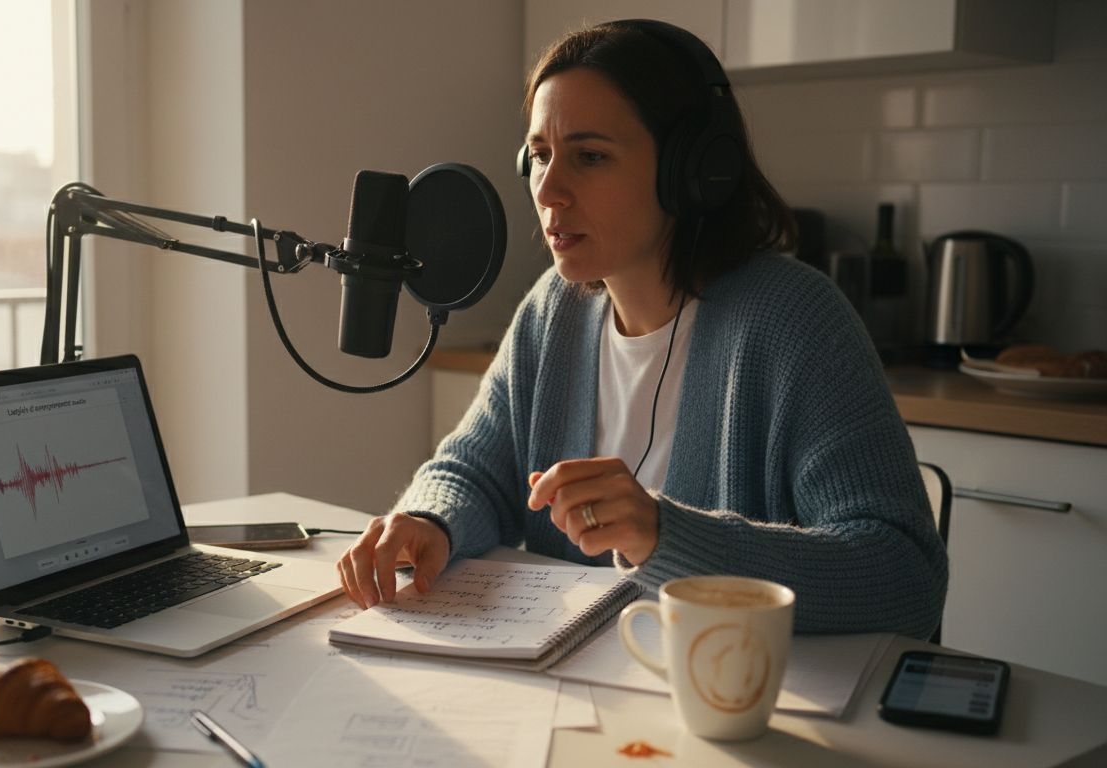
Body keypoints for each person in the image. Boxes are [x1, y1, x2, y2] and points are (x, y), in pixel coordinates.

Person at [336, 19, 947, 638]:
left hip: (727, 689)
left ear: (691, 172)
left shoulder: (796, 320)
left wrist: (664, 535)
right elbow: (473, 474)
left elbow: (904, 578)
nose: (549, 190)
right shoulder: (553, 312)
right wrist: (430, 521)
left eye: (590, 156)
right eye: (540, 155)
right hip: (575, 685)